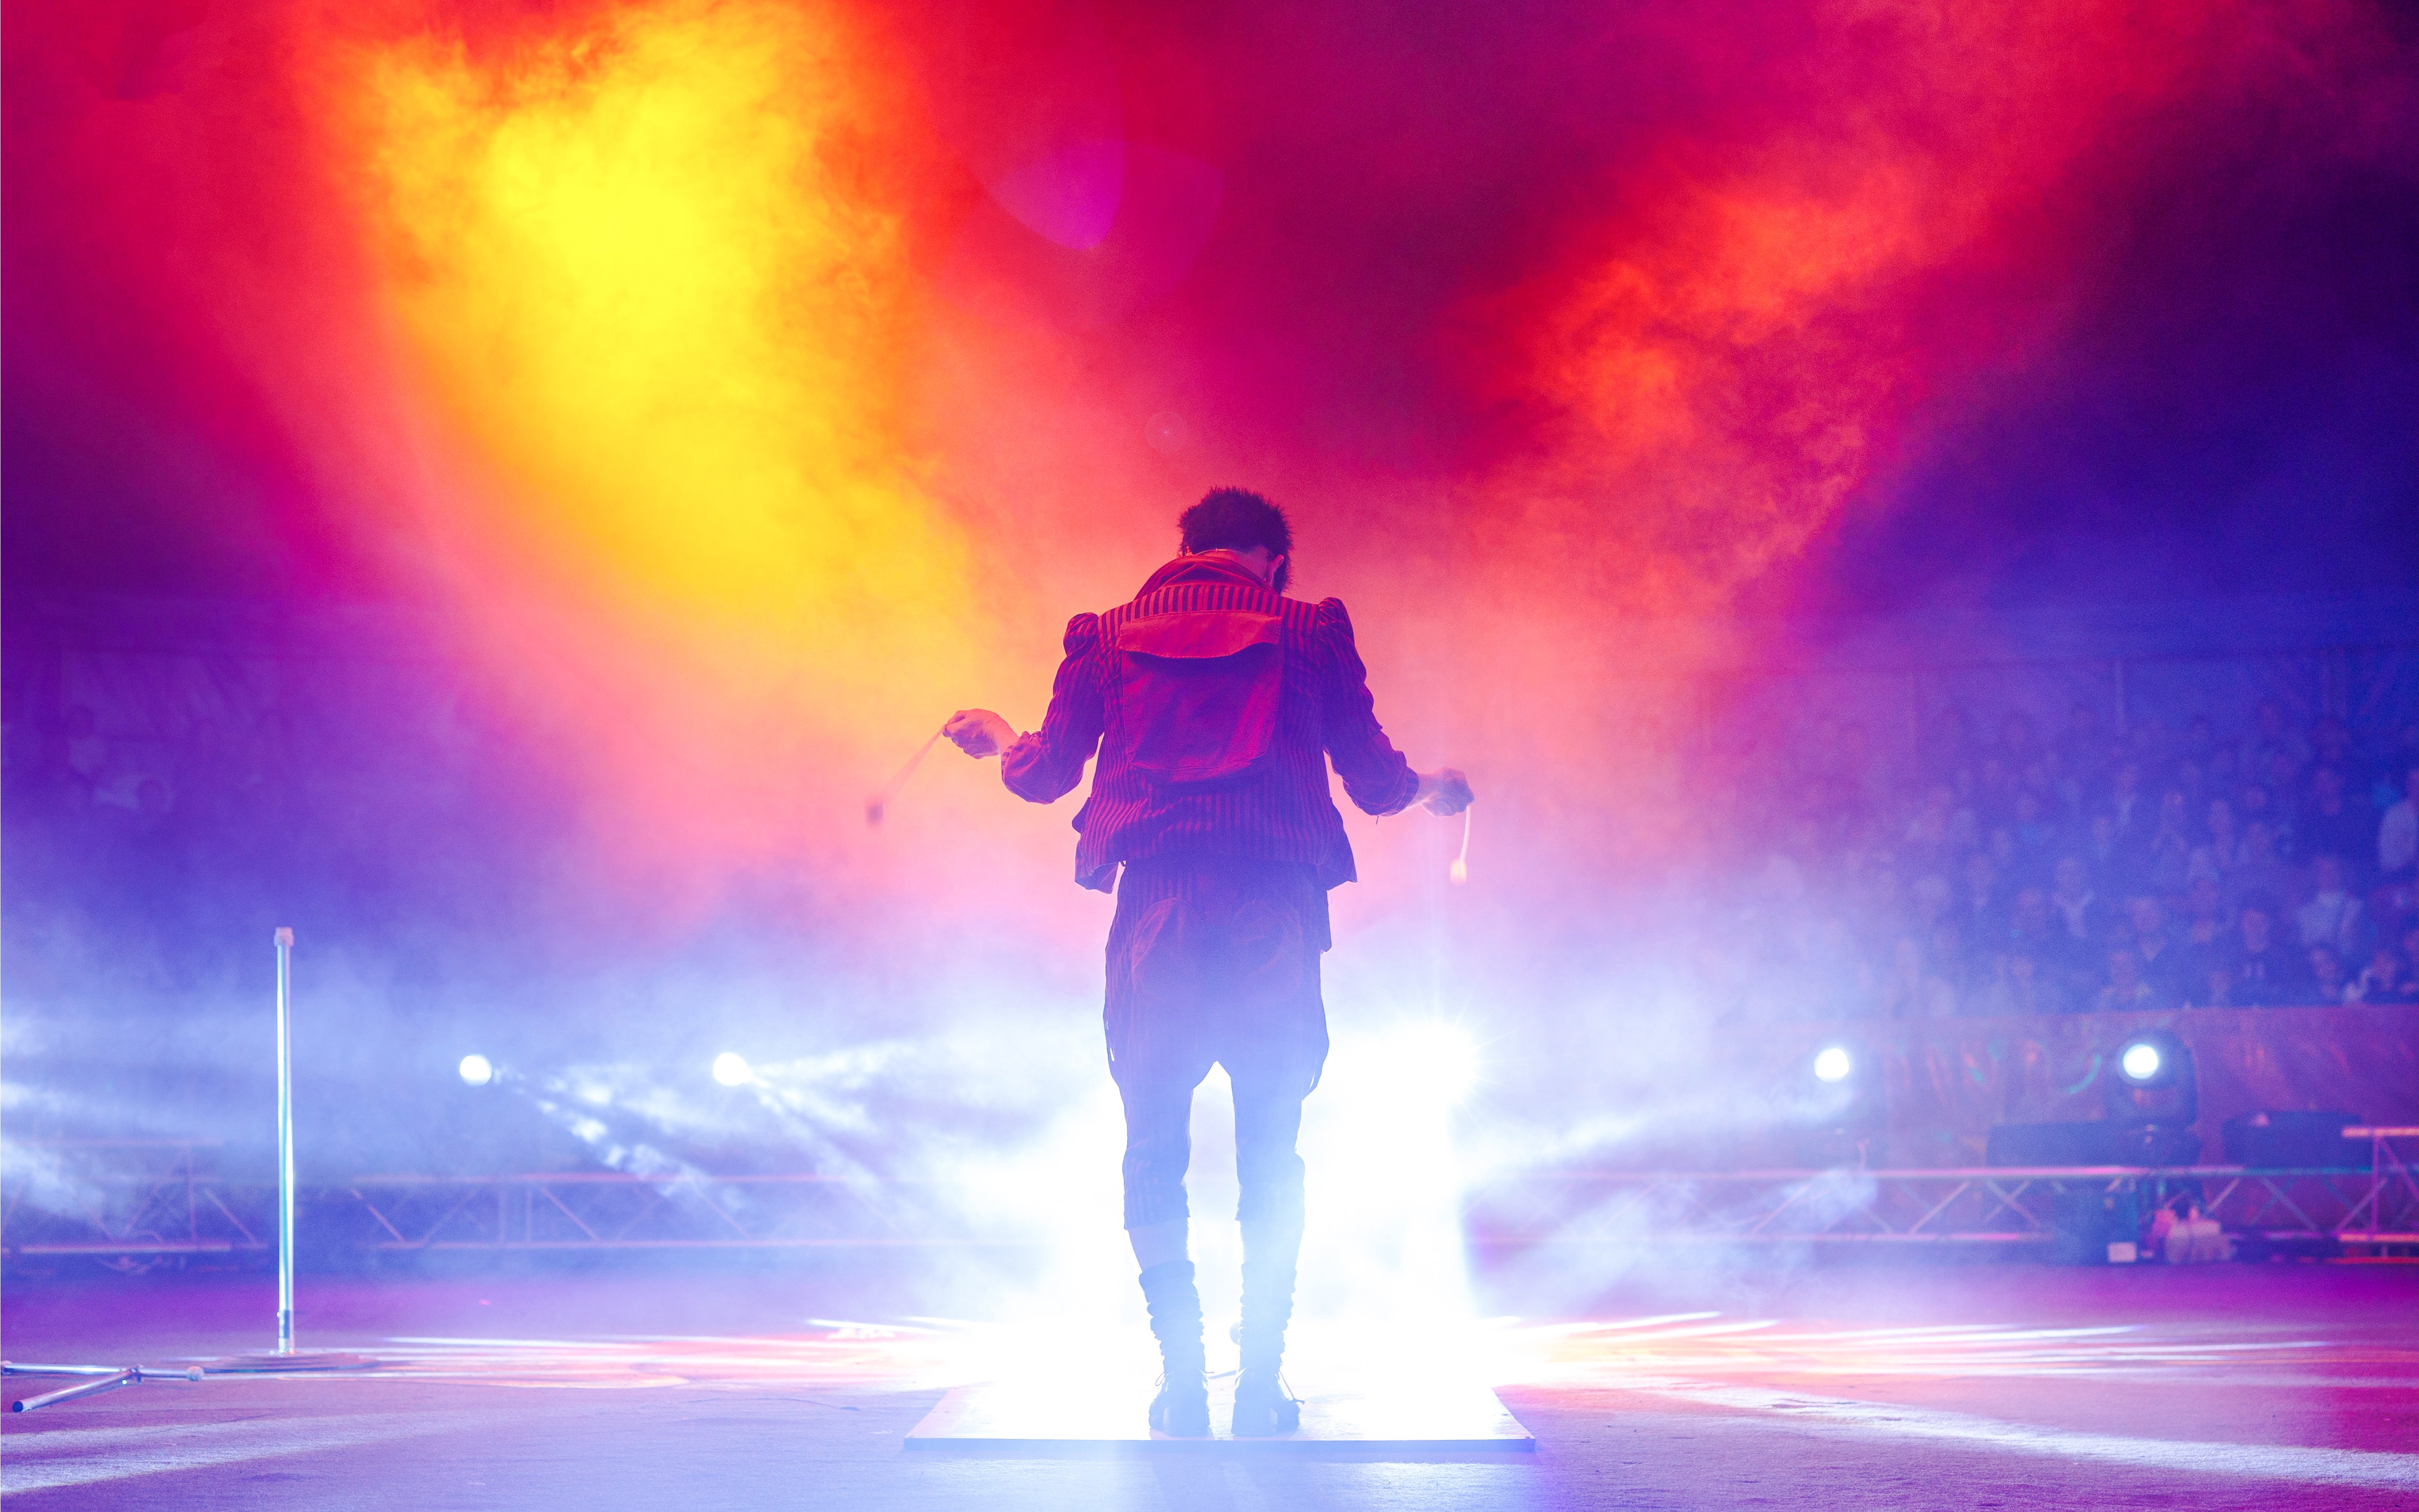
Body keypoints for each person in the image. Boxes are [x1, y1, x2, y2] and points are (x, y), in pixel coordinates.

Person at [944, 488, 1472, 1439]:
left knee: (1152, 1150)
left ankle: (1180, 1382)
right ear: (1275, 559)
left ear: (1184, 551)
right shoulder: (1308, 630)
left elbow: (1045, 775)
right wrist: (1433, 790)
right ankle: (1262, 1386)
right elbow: (1375, 779)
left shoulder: (1105, 637)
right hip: (1270, 905)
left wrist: (995, 739)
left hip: (1156, 913)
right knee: (1272, 1152)